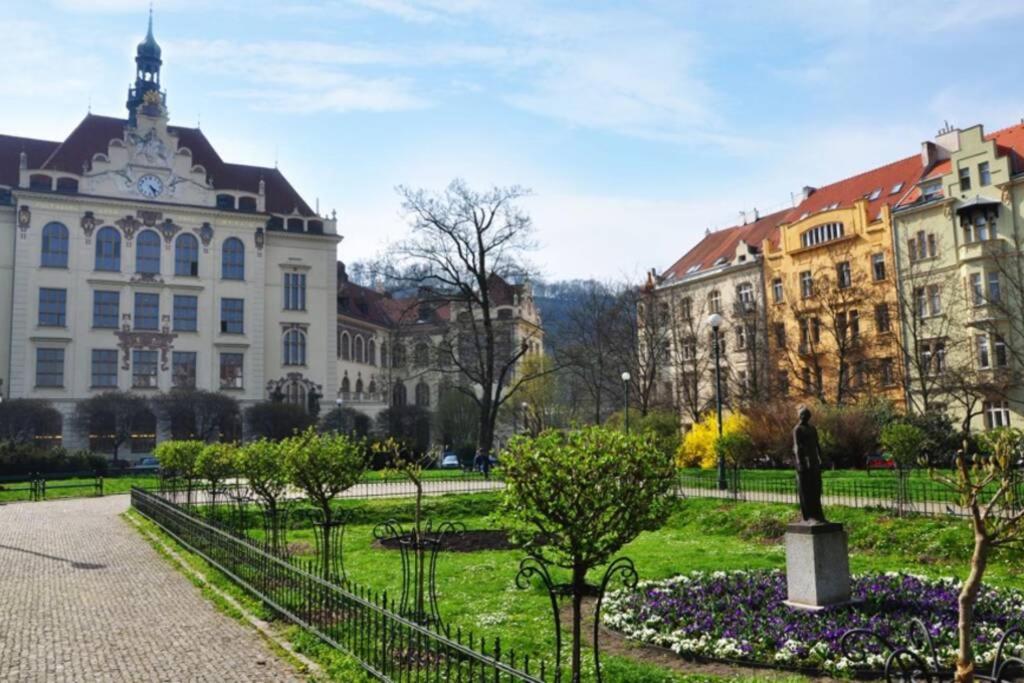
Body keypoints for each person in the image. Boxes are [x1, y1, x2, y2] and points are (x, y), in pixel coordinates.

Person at [793, 405, 827, 524]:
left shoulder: (812, 428)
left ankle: (818, 515)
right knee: (806, 489)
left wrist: (821, 458)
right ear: (800, 416)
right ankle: (808, 516)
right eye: (803, 415)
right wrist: (799, 462)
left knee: (816, 488)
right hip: (804, 462)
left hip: (814, 461)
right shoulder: (797, 429)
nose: (805, 417)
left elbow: (817, 444)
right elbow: (796, 447)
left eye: (807, 415)